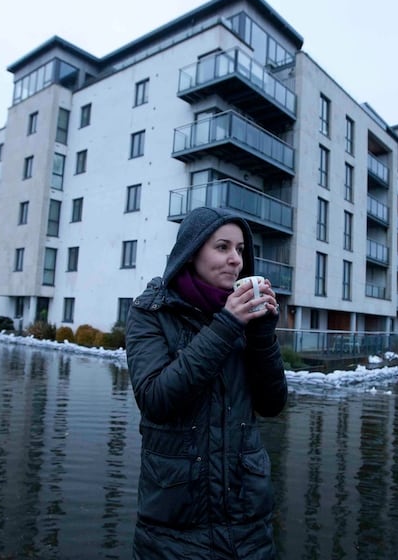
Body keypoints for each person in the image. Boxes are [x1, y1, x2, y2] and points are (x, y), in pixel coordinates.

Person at [125, 207, 286, 559]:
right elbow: (155, 398)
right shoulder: (151, 312)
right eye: (223, 247)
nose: (235, 261)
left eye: (240, 250)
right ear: (192, 251)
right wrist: (227, 325)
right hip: (173, 533)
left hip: (248, 528)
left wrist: (262, 335)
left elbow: (272, 404)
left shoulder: (245, 317)